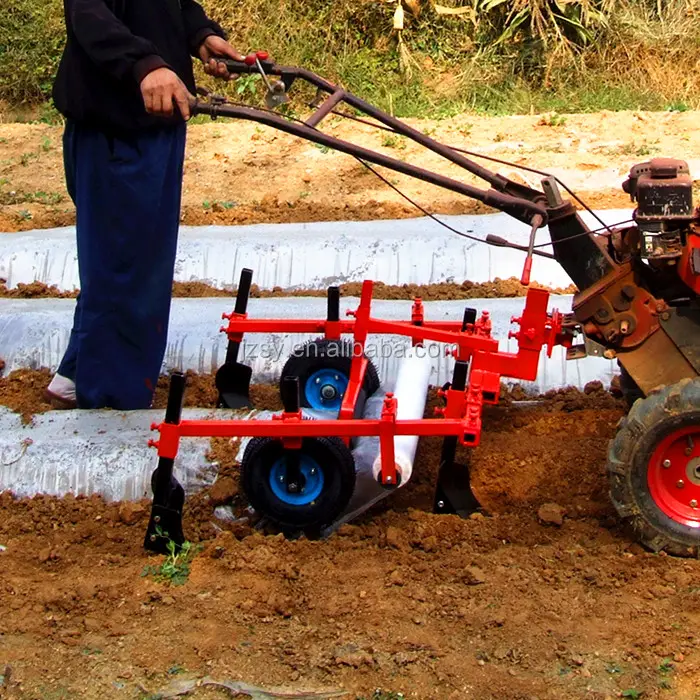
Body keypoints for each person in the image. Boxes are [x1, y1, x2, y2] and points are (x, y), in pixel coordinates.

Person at [45, 0, 242, 410]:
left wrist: (201, 36)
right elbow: (88, 12)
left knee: (128, 261)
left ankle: (79, 372)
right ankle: (110, 407)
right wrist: (145, 64)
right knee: (126, 265)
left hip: (155, 123)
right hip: (116, 128)